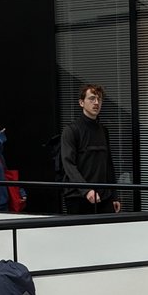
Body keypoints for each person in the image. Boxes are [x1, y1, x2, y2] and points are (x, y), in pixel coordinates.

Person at [61, 83, 121, 214]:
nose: (96, 103)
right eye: (92, 98)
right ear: (81, 103)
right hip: (78, 196)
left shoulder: (103, 130)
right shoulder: (71, 130)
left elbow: (108, 164)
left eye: (99, 99)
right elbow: (68, 165)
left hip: (104, 196)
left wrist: (114, 195)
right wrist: (86, 190)